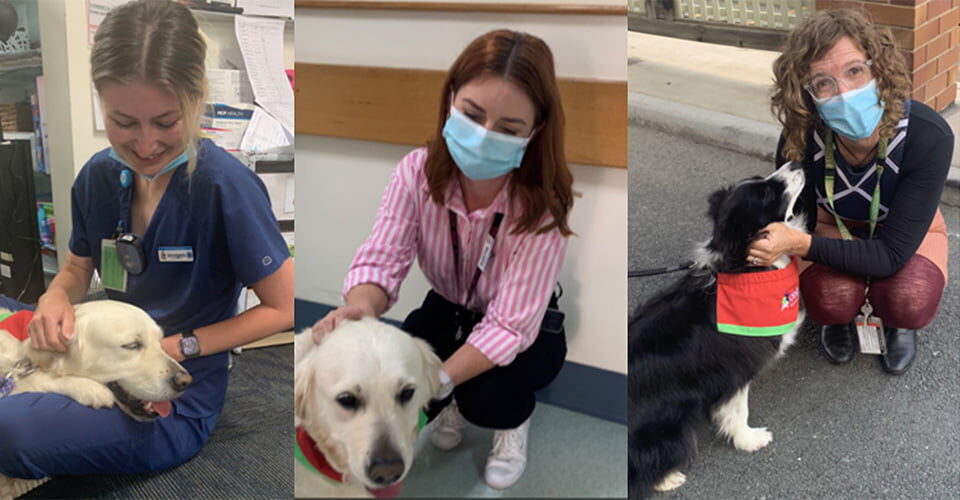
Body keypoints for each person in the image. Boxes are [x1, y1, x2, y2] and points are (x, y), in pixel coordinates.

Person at [0, 0, 293, 478]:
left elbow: (286, 308)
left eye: (165, 122)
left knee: (11, 431)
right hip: (96, 356)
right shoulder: (99, 176)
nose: (144, 144)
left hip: (174, 391)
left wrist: (180, 348)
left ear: (196, 98)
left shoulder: (225, 187)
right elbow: (77, 269)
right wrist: (54, 298)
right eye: (123, 122)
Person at [310, 29, 574, 489]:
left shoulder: (542, 206)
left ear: (535, 132)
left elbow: (509, 327)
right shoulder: (416, 171)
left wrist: (435, 382)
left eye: (509, 130)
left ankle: (510, 426)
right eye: (471, 115)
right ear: (451, 99)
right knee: (391, 380)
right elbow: (381, 258)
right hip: (447, 307)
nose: (484, 136)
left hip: (521, 325)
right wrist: (362, 309)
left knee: (488, 399)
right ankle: (452, 401)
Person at [748, 9, 951, 375]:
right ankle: (837, 318)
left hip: (901, 233)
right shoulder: (801, 134)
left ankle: (897, 321)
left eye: (855, 71)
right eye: (823, 83)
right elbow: (789, 214)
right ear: (805, 93)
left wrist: (797, 245)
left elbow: (890, 254)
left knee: (909, 297)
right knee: (831, 299)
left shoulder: (927, 135)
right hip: (831, 225)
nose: (844, 93)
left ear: (880, 68)